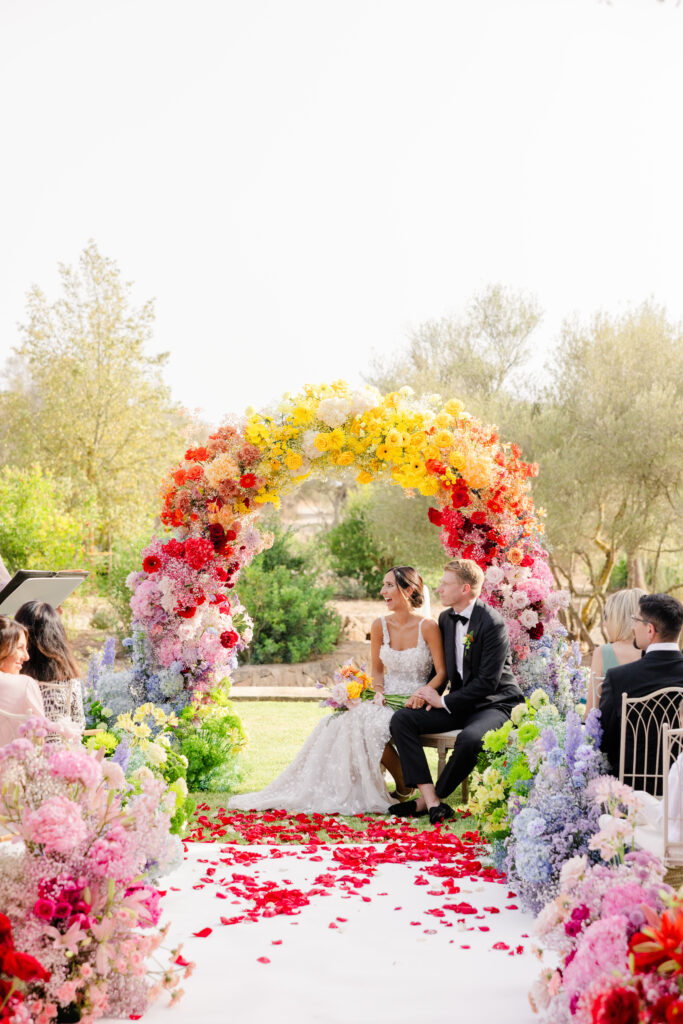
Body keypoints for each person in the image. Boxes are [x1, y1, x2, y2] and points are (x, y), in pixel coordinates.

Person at [228, 566, 447, 814]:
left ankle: (403, 786)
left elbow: (442, 673)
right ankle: (366, 787)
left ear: (408, 589)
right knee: (339, 722)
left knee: (367, 723)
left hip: (414, 700)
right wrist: (378, 691)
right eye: (383, 585)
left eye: (389, 585)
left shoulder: (428, 626)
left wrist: (422, 694)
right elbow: (377, 670)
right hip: (386, 697)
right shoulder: (379, 626)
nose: (382, 590)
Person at [389, 558, 525, 825]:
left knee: (470, 740)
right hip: (460, 703)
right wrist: (425, 693)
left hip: (495, 704)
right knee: (402, 719)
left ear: (464, 589)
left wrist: (443, 701)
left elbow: (487, 682)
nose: (439, 588)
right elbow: (443, 669)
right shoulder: (446, 618)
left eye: (445, 583)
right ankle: (431, 801)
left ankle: (425, 802)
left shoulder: (492, 623)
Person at [599, 593, 683, 788]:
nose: (633, 627)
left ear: (650, 630)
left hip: (633, 791)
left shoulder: (619, 678)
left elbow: (605, 741)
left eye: (636, 620)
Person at [15, 601, 86, 731]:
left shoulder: (13, 677)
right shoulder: (70, 680)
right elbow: (79, 725)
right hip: (62, 749)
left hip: (20, 749)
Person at [585, 588, 646, 716]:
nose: (604, 624)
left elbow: (591, 712)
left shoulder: (603, 652)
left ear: (619, 618)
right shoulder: (656, 653)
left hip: (612, 734)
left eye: (607, 617)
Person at [0, 616, 44, 745]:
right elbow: (39, 740)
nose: (26, 656)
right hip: (11, 763)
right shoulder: (25, 685)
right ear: (3, 648)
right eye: (20, 648)